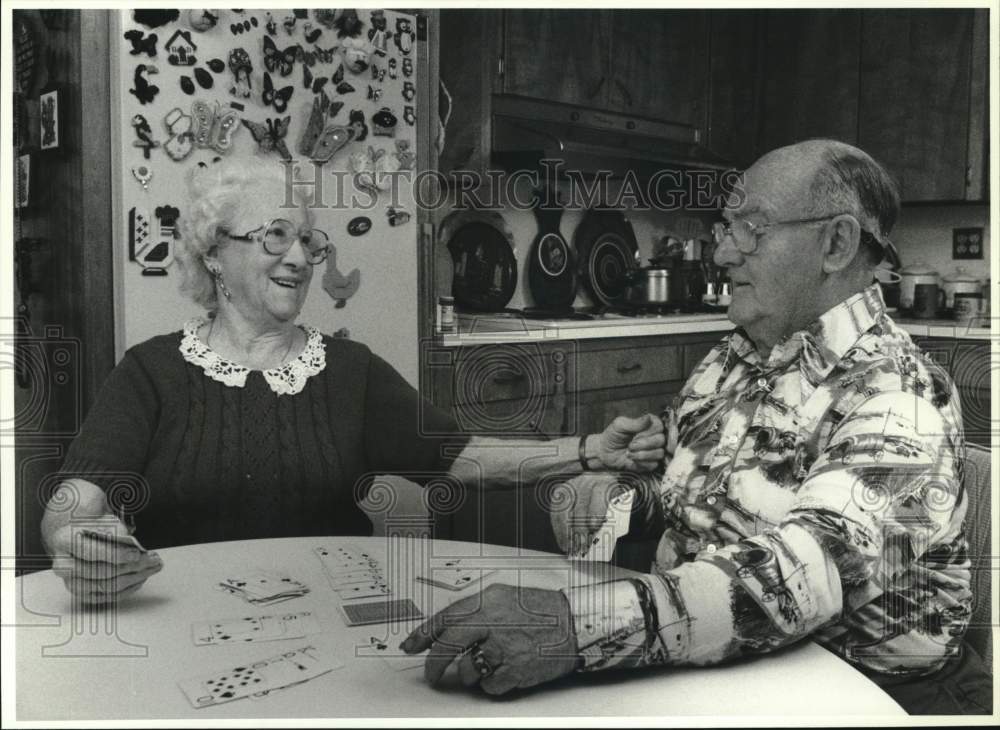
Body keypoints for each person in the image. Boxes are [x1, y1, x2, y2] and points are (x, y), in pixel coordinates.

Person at [401, 140, 992, 714]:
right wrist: (620, 498)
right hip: (734, 666)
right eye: (726, 228)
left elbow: (796, 581)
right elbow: (693, 501)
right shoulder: (735, 358)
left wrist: (571, 625)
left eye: (750, 229)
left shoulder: (900, 392)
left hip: (870, 694)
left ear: (835, 243)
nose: (724, 254)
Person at [39, 159, 665, 605]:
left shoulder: (348, 370)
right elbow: (72, 501)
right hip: (181, 615)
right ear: (213, 255)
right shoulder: (151, 370)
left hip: (329, 608)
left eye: (306, 240)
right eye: (273, 236)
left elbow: (460, 460)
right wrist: (80, 543)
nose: (299, 258)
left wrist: (587, 451)